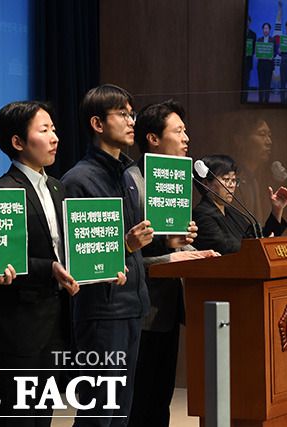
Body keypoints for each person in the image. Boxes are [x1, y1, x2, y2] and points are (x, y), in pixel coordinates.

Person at [0, 101, 83, 426]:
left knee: (43, 416)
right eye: (44, 130)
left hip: (56, 321)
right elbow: (0, 259)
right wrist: (48, 269)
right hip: (17, 325)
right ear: (17, 142)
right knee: (17, 417)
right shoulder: (0, 190)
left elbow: (68, 248)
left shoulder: (57, 186)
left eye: (53, 129)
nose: (55, 137)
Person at [61, 84, 153, 426]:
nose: (132, 121)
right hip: (100, 311)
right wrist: (125, 246)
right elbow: (77, 252)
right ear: (98, 124)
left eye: (132, 114)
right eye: (123, 114)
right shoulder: (78, 180)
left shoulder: (127, 175)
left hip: (132, 305)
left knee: (120, 414)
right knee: (98, 415)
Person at [128, 100, 217, 427]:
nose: (186, 138)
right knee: (137, 404)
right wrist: (172, 253)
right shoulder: (132, 182)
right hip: (137, 310)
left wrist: (182, 242)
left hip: (167, 307)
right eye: (178, 131)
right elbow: (126, 252)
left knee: (160, 402)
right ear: (153, 138)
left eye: (185, 131)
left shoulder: (176, 181)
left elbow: (168, 243)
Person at [192, 154, 287, 254]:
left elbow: (258, 236)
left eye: (234, 180)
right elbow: (226, 248)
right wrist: (261, 245)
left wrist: (277, 209)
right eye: (226, 179)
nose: (232, 185)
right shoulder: (201, 215)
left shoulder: (232, 213)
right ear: (206, 184)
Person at [257, 22, 276, 103]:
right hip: (261, 65)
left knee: (268, 84)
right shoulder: (259, 40)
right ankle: (260, 100)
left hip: (269, 65)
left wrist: (272, 56)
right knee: (261, 84)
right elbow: (257, 51)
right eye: (264, 28)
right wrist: (257, 54)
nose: (265, 30)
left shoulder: (273, 40)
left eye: (267, 28)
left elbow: (275, 52)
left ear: (269, 30)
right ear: (262, 30)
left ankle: (266, 100)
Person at [243, 15, 257, 102]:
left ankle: (244, 99)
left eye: (248, 21)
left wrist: (251, 52)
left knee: (246, 81)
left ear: (250, 22)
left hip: (248, 62)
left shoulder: (253, 34)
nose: (247, 23)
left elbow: (254, 49)